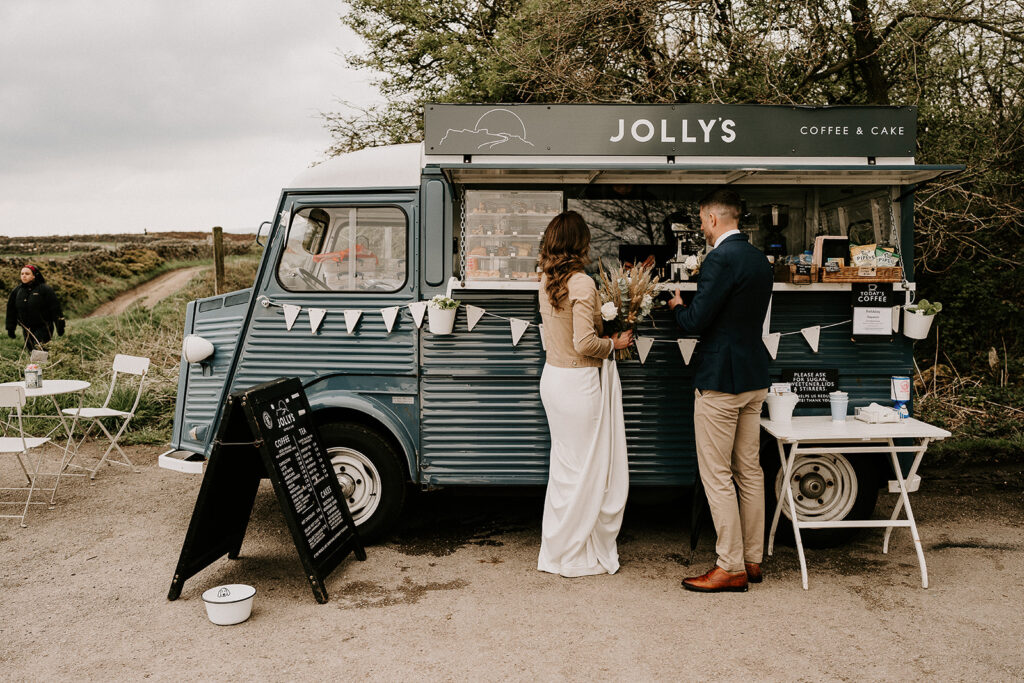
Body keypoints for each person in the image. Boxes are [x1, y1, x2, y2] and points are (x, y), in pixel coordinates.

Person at [668, 188, 773, 593]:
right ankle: (752, 558)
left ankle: (728, 566)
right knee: (749, 470)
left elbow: (696, 321)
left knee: (717, 474)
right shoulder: (758, 259)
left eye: (700, 220)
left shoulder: (720, 258)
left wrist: (677, 304)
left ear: (713, 219)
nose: (700, 227)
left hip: (721, 382)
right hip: (753, 377)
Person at [536, 211, 633, 577]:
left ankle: (557, 549)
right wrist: (614, 342)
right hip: (578, 383)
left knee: (565, 469)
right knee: (585, 470)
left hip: (553, 379)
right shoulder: (582, 283)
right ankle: (575, 553)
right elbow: (584, 343)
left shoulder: (544, 280)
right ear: (580, 244)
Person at [6, 264, 66, 350]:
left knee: (40, 351)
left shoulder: (45, 289)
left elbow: (55, 308)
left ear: (34, 276)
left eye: (27, 274)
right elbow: (11, 310)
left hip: (44, 327)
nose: (24, 276)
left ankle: (43, 363)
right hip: (26, 328)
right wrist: (10, 328)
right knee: (31, 351)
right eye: (22, 274)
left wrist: (60, 326)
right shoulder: (17, 291)